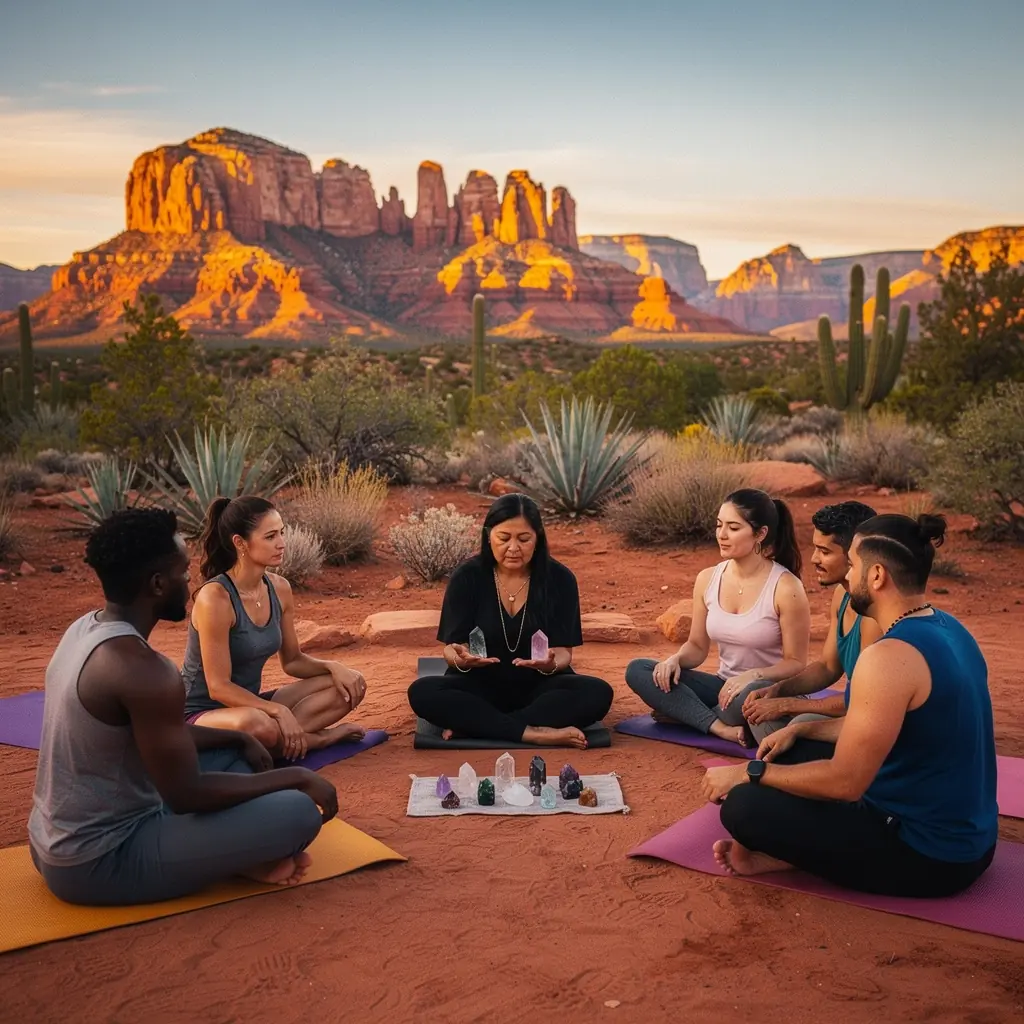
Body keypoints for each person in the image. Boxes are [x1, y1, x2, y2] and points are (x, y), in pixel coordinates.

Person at [28, 508, 339, 907]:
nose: (189, 580)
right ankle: (231, 857)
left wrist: (233, 739)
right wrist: (295, 777)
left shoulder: (84, 629)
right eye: (182, 571)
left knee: (237, 752)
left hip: (50, 839)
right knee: (297, 813)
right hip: (98, 861)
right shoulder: (145, 671)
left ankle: (228, 855)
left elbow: (151, 734)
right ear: (157, 584)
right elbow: (187, 795)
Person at [702, 514, 998, 898]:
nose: (848, 576)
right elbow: (887, 725)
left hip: (931, 856)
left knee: (743, 807)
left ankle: (793, 855)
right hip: (972, 841)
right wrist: (801, 728)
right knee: (790, 751)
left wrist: (748, 772)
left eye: (854, 566)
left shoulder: (888, 656)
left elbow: (846, 783)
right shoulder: (950, 628)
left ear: (876, 576)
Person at [408, 493, 613, 749]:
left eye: (524, 539)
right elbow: (452, 647)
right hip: (478, 684)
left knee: (598, 693)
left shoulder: (560, 579)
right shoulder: (467, 577)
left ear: (538, 538)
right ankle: (534, 732)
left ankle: (478, 726)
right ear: (488, 536)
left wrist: (549, 665)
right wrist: (460, 658)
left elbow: (563, 652)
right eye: (504, 538)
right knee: (423, 692)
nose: (513, 548)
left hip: (540, 686)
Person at [183, 496, 366, 761]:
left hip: (251, 704)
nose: (281, 543)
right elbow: (218, 687)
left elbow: (292, 661)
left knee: (350, 684)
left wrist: (333, 667)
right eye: (270, 536)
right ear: (240, 543)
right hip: (201, 713)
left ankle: (282, 738)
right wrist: (279, 712)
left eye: (282, 533)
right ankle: (320, 738)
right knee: (259, 725)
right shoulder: (216, 597)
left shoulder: (279, 588)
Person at [625, 488, 810, 746]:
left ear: (760, 533)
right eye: (719, 525)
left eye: (733, 528)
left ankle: (685, 714)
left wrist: (753, 675)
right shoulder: (707, 578)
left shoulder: (786, 587)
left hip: (767, 689)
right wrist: (675, 659)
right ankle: (720, 727)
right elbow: (697, 647)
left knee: (751, 695)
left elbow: (796, 663)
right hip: (723, 689)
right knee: (640, 670)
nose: (721, 535)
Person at [742, 501, 880, 747]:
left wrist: (791, 705)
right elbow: (828, 667)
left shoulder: (874, 615)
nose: (814, 559)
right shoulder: (842, 595)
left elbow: (866, 701)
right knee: (763, 692)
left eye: (825, 552)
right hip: (853, 712)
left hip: (870, 723)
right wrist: (780, 690)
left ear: (855, 556)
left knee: (800, 723)